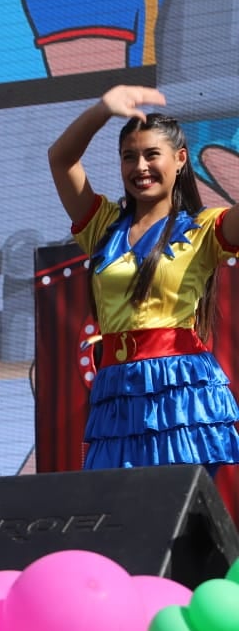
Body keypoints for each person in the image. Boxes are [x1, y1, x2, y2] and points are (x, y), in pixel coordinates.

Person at [48, 85, 239, 472]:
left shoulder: (204, 229)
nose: (140, 167)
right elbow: (61, 158)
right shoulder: (101, 225)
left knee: (173, 517)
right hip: (115, 392)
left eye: (152, 155)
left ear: (181, 159)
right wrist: (103, 108)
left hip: (180, 391)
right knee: (112, 514)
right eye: (128, 157)